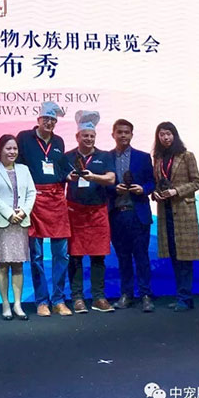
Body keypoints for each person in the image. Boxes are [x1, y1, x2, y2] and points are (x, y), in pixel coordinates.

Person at [17, 101, 72, 317]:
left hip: (57, 199)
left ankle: (58, 299)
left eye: (53, 120)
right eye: (46, 119)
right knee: (37, 254)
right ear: (38, 119)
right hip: (35, 199)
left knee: (61, 254)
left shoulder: (59, 141)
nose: (49, 123)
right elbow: (17, 166)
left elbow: (60, 168)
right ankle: (42, 301)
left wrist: (70, 175)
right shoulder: (24, 138)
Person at [66, 111, 116, 314]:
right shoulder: (68, 157)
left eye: (91, 136)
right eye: (85, 135)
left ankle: (99, 297)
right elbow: (60, 179)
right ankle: (77, 298)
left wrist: (93, 176)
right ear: (77, 136)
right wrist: (68, 177)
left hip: (98, 212)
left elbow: (111, 178)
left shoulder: (104, 156)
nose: (88, 139)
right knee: (75, 257)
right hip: (75, 212)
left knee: (98, 257)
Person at [152, 122, 199, 312]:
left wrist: (177, 191)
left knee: (185, 258)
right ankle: (183, 296)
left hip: (183, 212)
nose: (165, 137)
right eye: (162, 134)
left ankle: (185, 297)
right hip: (165, 212)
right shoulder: (158, 158)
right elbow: (158, 184)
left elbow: (197, 182)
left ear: (175, 135)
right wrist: (155, 193)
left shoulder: (186, 156)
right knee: (174, 255)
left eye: (169, 134)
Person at [0, 134, 36, 320]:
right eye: (8, 148)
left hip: (20, 222)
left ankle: (18, 304)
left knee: (18, 265)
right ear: (0, 150)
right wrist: (9, 213)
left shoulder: (24, 169)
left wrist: (24, 211)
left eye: (15, 148)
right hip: (2, 222)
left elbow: (31, 192)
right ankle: (5, 304)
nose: (12, 151)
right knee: (3, 265)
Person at [108, 119, 155, 313]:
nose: (123, 135)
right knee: (123, 258)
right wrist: (114, 189)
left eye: (126, 132)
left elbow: (152, 182)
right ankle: (126, 294)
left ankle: (146, 295)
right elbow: (102, 184)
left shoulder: (143, 157)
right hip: (117, 215)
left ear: (132, 135)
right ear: (113, 134)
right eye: (119, 132)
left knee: (142, 256)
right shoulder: (106, 157)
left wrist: (143, 189)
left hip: (138, 214)